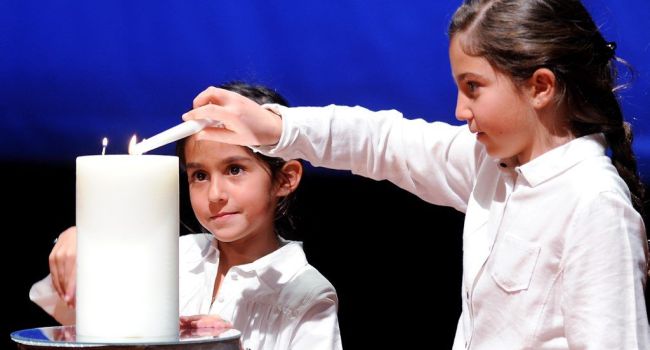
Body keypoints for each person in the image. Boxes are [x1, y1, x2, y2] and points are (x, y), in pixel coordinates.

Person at [181, 1, 650, 349]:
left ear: (540, 87)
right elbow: (381, 140)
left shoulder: (593, 202)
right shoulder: (489, 167)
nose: (460, 109)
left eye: (474, 88)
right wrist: (277, 126)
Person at [30, 82, 343, 350]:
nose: (215, 194)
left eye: (235, 170)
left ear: (285, 178)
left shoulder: (307, 294)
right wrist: (83, 244)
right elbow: (88, 317)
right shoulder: (177, 256)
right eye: (199, 175)